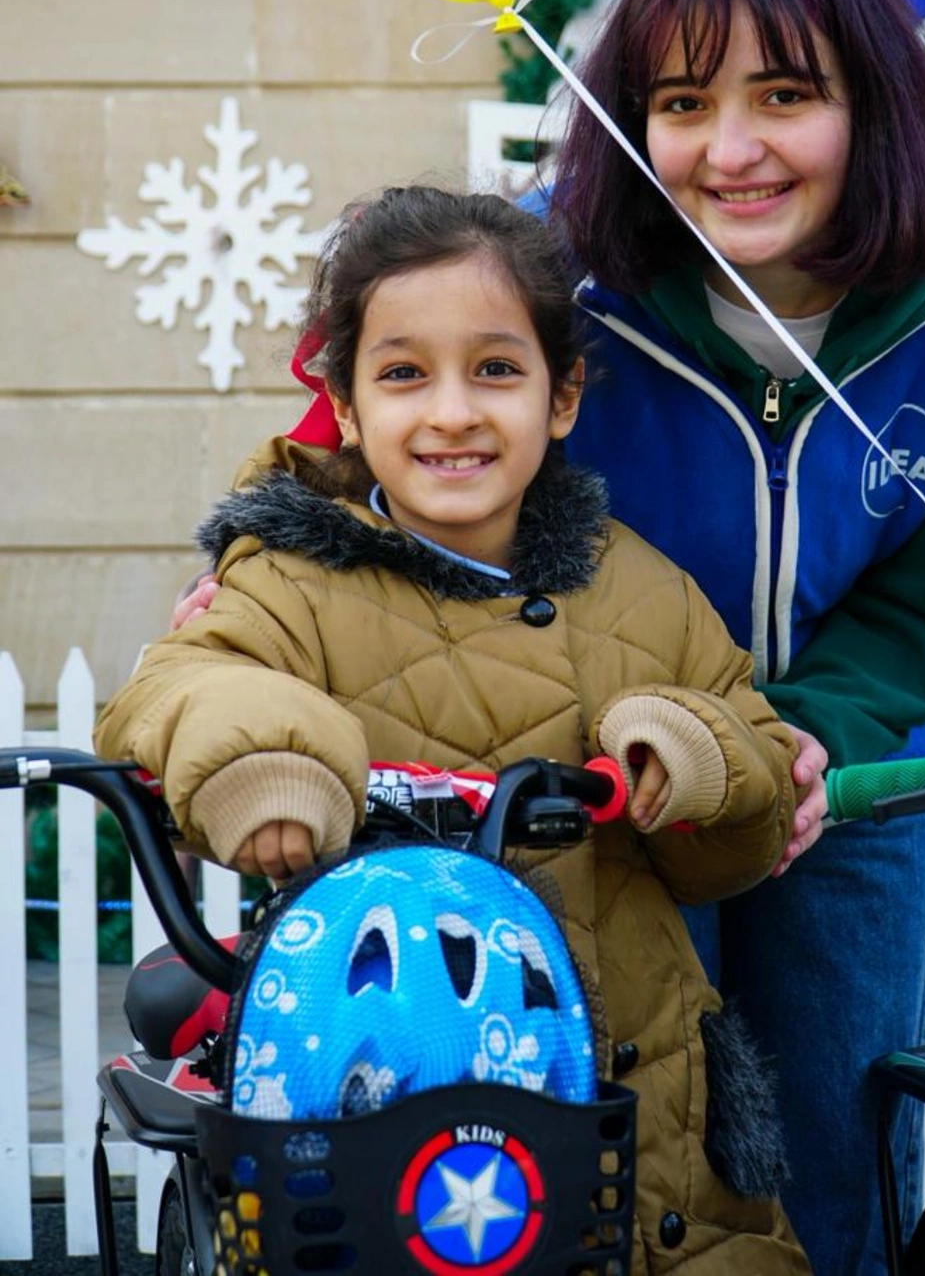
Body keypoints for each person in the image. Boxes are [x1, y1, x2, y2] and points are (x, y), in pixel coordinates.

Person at [95, 185, 811, 1275]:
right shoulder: (290, 579)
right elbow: (182, 683)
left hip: (643, 1119)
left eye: (496, 368)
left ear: (562, 394)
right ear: (339, 399)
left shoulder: (639, 586)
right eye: (401, 373)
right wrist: (267, 764)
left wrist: (694, 749)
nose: (452, 412)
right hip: (381, 1124)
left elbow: (746, 803)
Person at [537, 0, 925, 1276]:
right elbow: (394, 423)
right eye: (681, 99)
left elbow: (923, 604)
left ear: (872, 104)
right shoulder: (545, 279)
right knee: (625, 1149)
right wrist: (267, 553)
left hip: (857, 783)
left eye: (786, 94)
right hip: (611, 770)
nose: (731, 148)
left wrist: (812, 729)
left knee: (836, 1157)